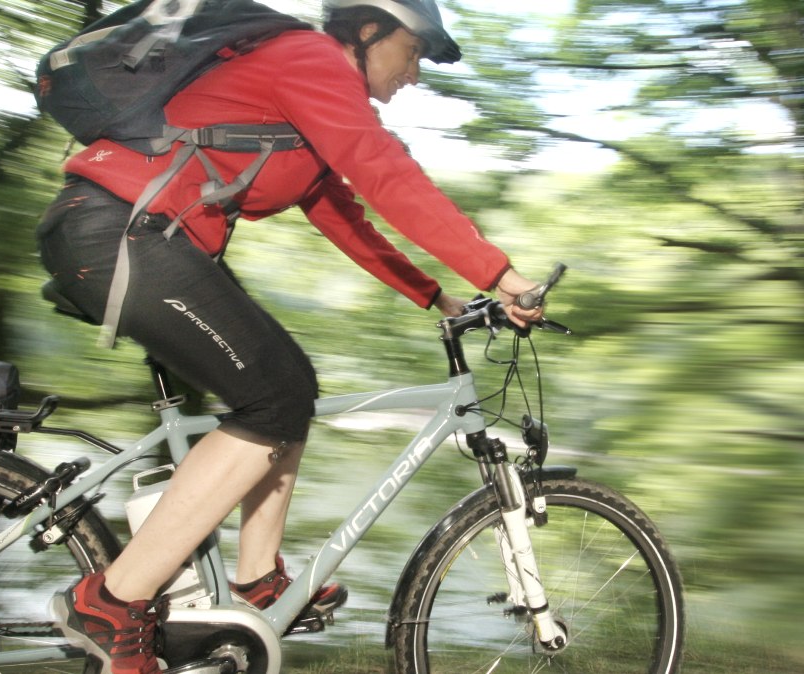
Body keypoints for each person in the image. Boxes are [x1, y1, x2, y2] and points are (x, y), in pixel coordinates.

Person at [35, 0, 545, 672]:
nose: (416, 73)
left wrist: (438, 295)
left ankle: (256, 580)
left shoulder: (302, 114)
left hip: (138, 237)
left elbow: (346, 217)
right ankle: (112, 601)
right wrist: (497, 269)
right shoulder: (308, 59)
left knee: (287, 389)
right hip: (119, 233)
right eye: (414, 51)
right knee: (276, 394)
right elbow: (384, 170)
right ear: (368, 29)